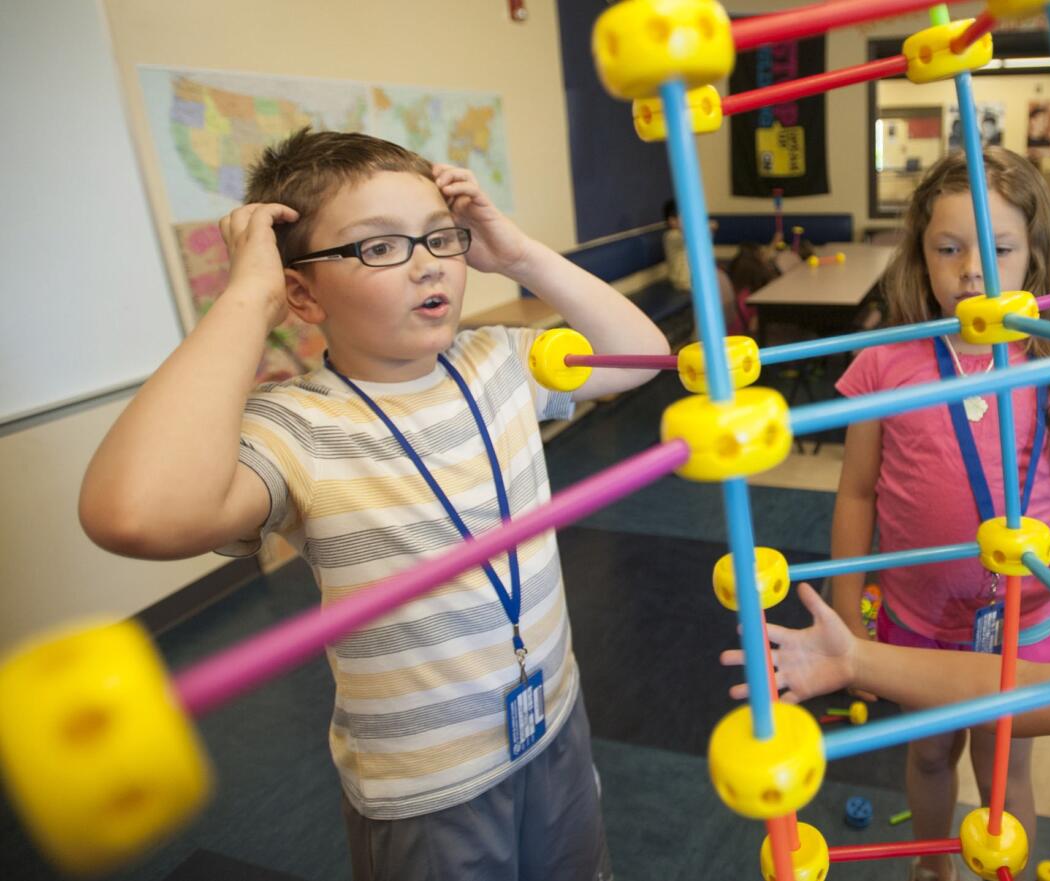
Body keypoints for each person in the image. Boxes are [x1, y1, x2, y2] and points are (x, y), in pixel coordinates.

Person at [79, 129, 671, 881]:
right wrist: (245, 298)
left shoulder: (501, 360)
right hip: (427, 786)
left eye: (439, 237)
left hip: (555, 718)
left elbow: (645, 355)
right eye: (378, 247)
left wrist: (518, 254)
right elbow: (135, 511)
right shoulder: (297, 428)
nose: (427, 262)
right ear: (301, 292)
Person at [827, 147, 1050, 881]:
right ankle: (933, 864)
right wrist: (844, 606)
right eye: (949, 249)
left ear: (1035, 254)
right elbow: (856, 492)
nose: (973, 270)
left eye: (999, 249)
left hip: (1029, 615)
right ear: (919, 254)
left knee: (1004, 763)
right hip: (916, 616)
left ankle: (1003, 870)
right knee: (928, 751)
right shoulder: (885, 361)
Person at [721, 585, 1050, 881]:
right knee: (932, 756)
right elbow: (1022, 692)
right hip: (923, 616)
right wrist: (857, 660)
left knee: (1005, 772)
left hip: (1022, 616)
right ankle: (930, 867)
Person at [662, 198, 737, 335]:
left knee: (719, 282)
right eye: (684, 217)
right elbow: (693, 236)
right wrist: (706, 227)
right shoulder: (671, 236)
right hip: (683, 281)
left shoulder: (681, 234)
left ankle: (718, 326)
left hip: (691, 279)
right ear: (672, 221)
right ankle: (699, 335)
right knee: (709, 291)